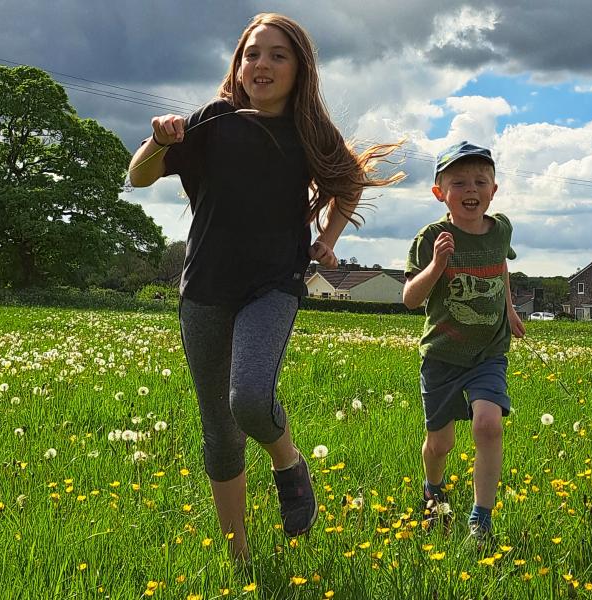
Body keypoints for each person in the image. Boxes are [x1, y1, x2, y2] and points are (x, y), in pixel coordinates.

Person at [128, 13, 403, 561]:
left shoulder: (310, 133)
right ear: (238, 64)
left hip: (273, 284)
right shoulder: (213, 121)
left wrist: (328, 237)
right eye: (253, 53)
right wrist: (157, 141)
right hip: (205, 287)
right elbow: (137, 176)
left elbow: (346, 180)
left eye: (278, 55)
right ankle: (239, 559)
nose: (263, 64)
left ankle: (287, 459)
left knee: (251, 398)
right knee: (220, 432)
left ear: (300, 69)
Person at [402, 140, 525, 544]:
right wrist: (438, 265)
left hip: (489, 351)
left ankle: (480, 519)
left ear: (494, 189)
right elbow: (411, 298)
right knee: (440, 444)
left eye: (479, 181)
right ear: (440, 193)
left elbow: (500, 266)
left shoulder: (501, 228)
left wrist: (508, 310)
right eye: (458, 183)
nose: (470, 190)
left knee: (488, 425)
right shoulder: (432, 238)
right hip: (442, 355)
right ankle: (433, 491)